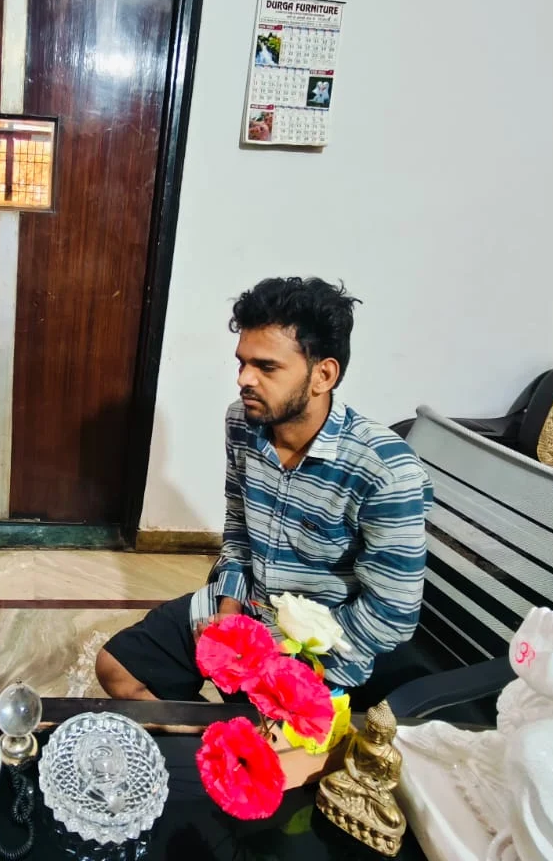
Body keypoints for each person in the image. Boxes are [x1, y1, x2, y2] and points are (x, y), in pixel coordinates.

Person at [97, 277, 430, 707]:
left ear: (323, 374)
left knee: (264, 757)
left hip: (322, 645)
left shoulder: (383, 469)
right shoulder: (243, 423)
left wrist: (279, 660)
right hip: (249, 607)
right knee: (119, 671)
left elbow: (392, 615)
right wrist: (231, 605)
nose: (244, 379)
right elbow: (238, 529)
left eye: (266, 367)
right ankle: (211, 735)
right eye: (242, 363)